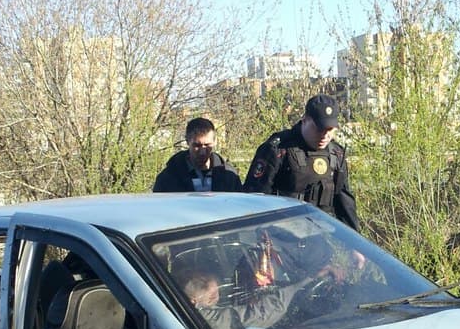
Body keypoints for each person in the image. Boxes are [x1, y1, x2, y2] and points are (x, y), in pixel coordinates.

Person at [244, 94, 359, 230]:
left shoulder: (336, 154)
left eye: (329, 130)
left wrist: (357, 246)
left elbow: (345, 204)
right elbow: (255, 199)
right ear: (305, 120)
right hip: (281, 238)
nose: (325, 135)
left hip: (321, 238)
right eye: (319, 128)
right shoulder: (278, 149)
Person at [152, 117, 242, 193]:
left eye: (207, 145)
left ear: (215, 142)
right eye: (197, 146)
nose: (202, 151)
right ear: (187, 141)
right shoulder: (169, 177)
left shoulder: (229, 176)